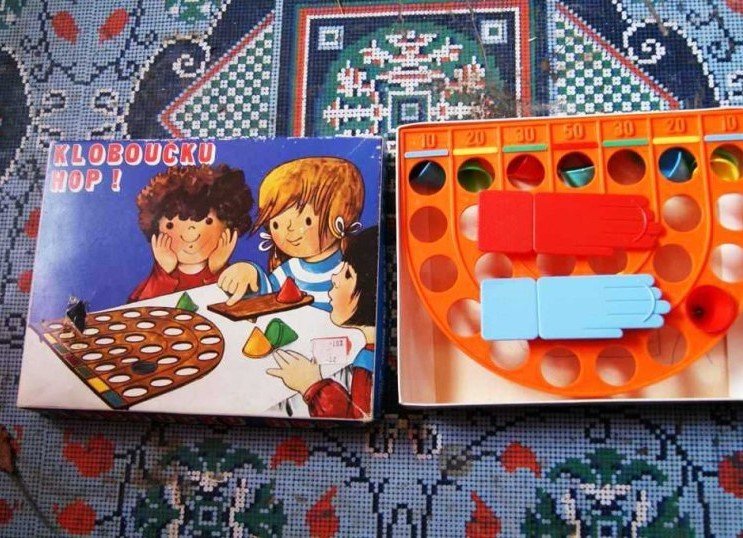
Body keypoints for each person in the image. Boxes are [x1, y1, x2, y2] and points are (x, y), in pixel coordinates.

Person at [217, 157, 364, 311]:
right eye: (276, 224)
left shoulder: (349, 272)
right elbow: (267, 300)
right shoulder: (287, 271)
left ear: (340, 218)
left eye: (307, 221)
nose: (289, 231)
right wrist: (252, 275)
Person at [267, 226, 379, 419]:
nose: (334, 278)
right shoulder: (365, 348)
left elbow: (357, 417)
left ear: (369, 293)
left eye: (347, 275)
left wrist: (311, 385)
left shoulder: (367, 369)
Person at [129, 164, 254, 302]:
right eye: (170, 225)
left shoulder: (233, 276)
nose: (190, 235)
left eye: (208, 222)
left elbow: (235, 306)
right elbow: (142, 309)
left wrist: (217, 270)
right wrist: (164, 273)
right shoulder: (156, 282)